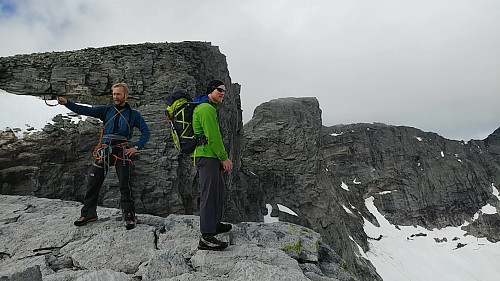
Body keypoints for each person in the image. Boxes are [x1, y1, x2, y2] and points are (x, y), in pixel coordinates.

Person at [57, 82, 150, 230]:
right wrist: (67, 103)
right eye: (114, 94)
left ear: (126, 95)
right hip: (104, 150)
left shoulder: (134, 115)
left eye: (118, 94)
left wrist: (136, 147)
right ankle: (89, 213)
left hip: (122, 150)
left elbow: (146, 132)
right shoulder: (105, 110)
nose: (115, 97)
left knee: (125, 185)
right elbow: (84, 110)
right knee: (92, 182)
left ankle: (129, 216)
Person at [192, 79, 233, 250]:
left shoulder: (210, 108)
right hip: (206, 156)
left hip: (210, 156)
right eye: (219, 90)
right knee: (208, 195)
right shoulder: (206, 109)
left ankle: (214, 223)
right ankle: (206, 237)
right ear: (210, 91)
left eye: (224, 91)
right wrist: (224, 158)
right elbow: (213, 137)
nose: (222, 93)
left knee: (217, 191)